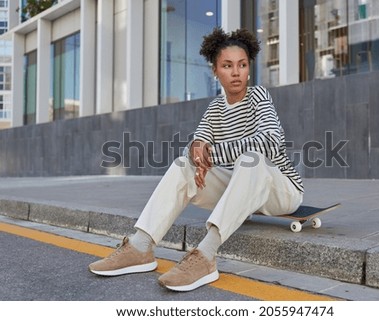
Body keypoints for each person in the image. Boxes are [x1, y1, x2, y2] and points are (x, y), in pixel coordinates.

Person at [88, 27, 304, 292]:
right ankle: (140, 247)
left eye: (242, 65)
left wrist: (212, 154)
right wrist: (196, 150)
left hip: (280, 190)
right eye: (227, 65)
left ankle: (205, 255)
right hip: (241, 189)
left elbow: (272, 140)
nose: (236, 72)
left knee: (252, 159)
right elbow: (197, 144)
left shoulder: (258, 96)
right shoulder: (215, 108)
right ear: (215, 71)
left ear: (249, 68)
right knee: (182, 166)